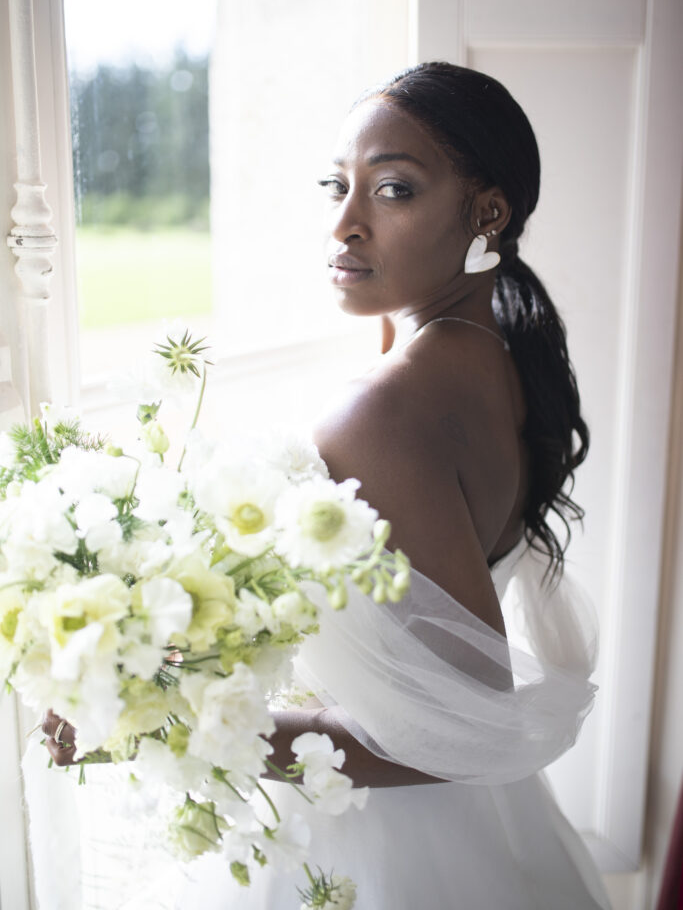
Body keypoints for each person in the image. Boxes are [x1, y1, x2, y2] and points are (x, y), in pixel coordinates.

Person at [43, 63, 611, 909]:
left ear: (486, 212)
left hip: (375, 849)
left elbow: (451, 734)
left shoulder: (390, 406)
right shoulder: (493, 356)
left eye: (391, 191)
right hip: (481, 833)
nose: (344, 225)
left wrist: (170, 723)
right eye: (336, 187)